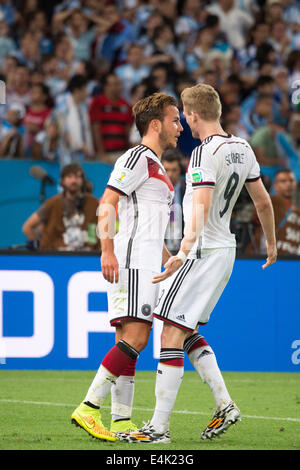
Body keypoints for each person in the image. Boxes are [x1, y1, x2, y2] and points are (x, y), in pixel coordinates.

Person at [117, 83, 277, 444]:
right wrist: (271, 243)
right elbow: (263, 203)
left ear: (191, 116)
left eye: (183, 116)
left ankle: (158, 428)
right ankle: (224, 404)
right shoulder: (243, 147)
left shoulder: (204, 153)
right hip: (226, 251)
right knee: (185, 329)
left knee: (170, 332)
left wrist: (182, 250)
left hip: (201, 250)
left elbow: (202, 205)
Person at [71, 92, 182, 442]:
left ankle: (120, 421)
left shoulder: (157, 164)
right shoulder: (137, 157)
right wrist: (107, 251)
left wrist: (167, 257)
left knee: (126, 339)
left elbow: (145, 220)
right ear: (155, 124)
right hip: (132, 261)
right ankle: (89, 407)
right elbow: (107, 205)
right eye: (174, 120)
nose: (179, 127)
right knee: (136, 337)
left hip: (146, 259)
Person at [22, 163, 99, 251]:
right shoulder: (53, 203)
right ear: (62, 180)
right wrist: (39, 247)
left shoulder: (93, 203)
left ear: (83, 180)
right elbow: (27, 227)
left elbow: (99, 231)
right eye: (69, 177)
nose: (73, 180)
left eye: (77, 177)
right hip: (56, 257)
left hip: (86, 256)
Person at [249, 169, 300, 256]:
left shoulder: (297, 208)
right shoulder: (268, 203)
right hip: (268, 256)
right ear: (275, 185)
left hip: (293, 258)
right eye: (283, 181)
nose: (288, 184)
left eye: (291, 180)